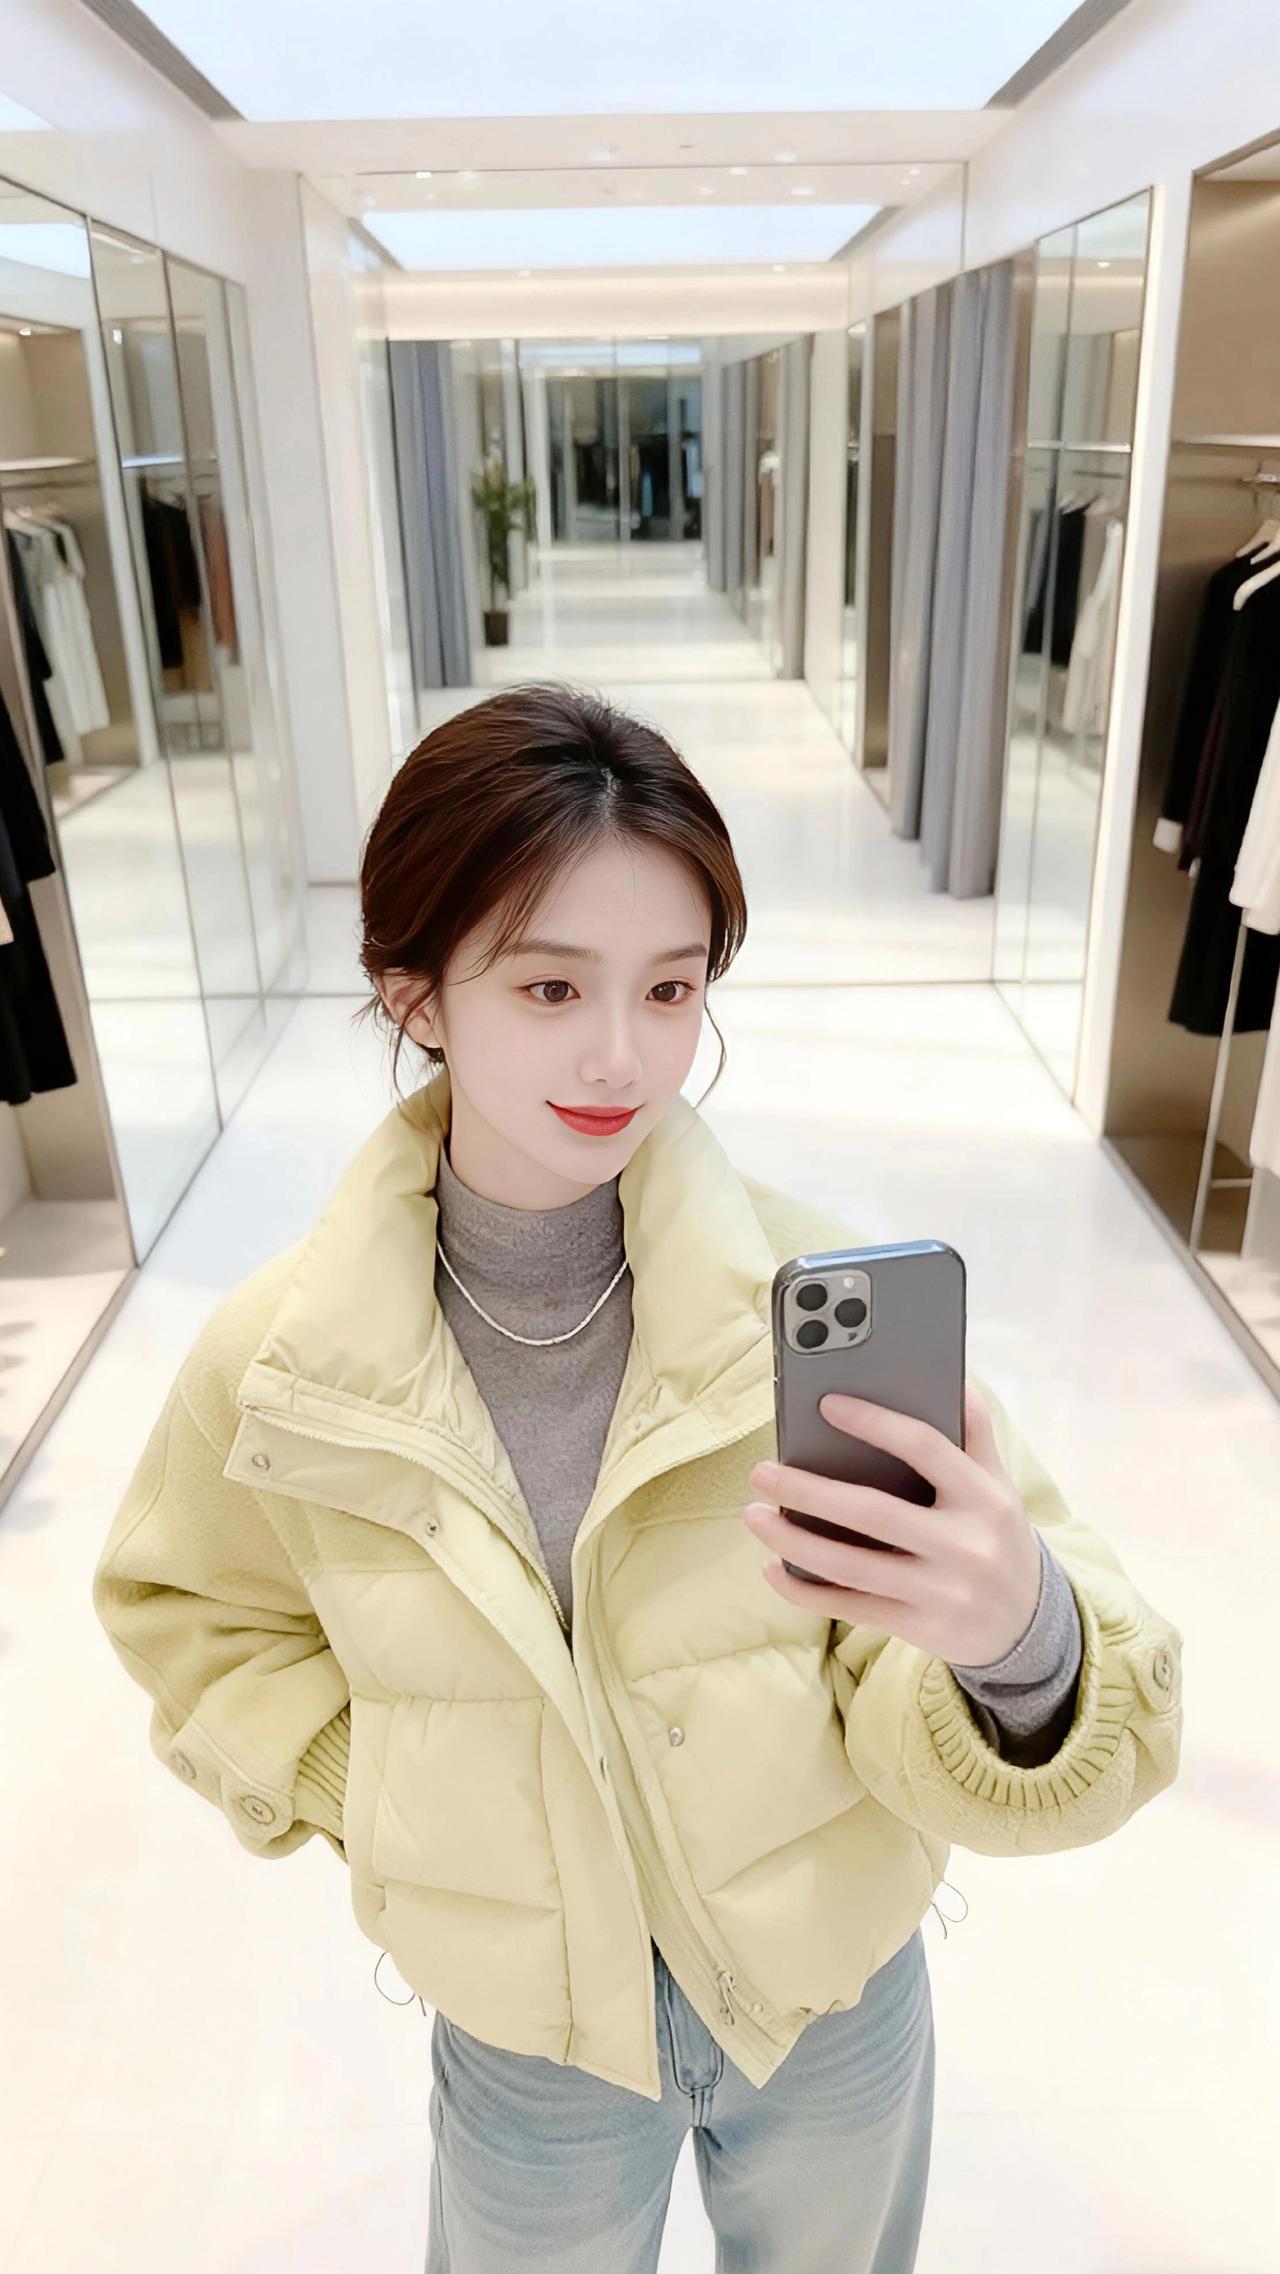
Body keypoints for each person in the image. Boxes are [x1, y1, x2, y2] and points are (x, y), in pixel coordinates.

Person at [92, 683, 1183, 2272]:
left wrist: (1017, 1638)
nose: (623, 1053)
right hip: (533, 2043)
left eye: (672, 986)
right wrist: (385, 1792)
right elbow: (186, 1608)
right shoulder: (287, 1363)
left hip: (829, 2006)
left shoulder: (804, 1296)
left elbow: (1054, 1678)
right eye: (550, 985)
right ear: (414, 990)